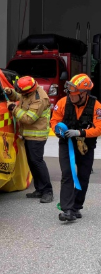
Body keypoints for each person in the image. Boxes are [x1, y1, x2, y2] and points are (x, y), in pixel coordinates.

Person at [50, 74, 101, 221]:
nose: (71, 97)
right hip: (66, 144)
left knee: (83, 176)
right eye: (70, 94)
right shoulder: (63, 102)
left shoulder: (96, 106)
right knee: (67, 174)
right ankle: (67, 210)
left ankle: (76, 207)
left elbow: (99, 129)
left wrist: (80, 132)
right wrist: (58, 130)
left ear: (84, 93)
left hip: (85, 146)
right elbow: (54, 120)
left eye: (74, 94)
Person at [5, 76, 53, 203]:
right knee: (32, 162)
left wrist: (13, 109)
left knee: (37, 162)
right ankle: (39, 189)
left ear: (28, 90)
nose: (20, 93)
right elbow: (20, 97)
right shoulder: (29, 92)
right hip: (29, 135)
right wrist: (11, 93)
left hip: (37, 135)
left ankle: (48, 191)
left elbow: (28, 119)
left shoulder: (39, 99)